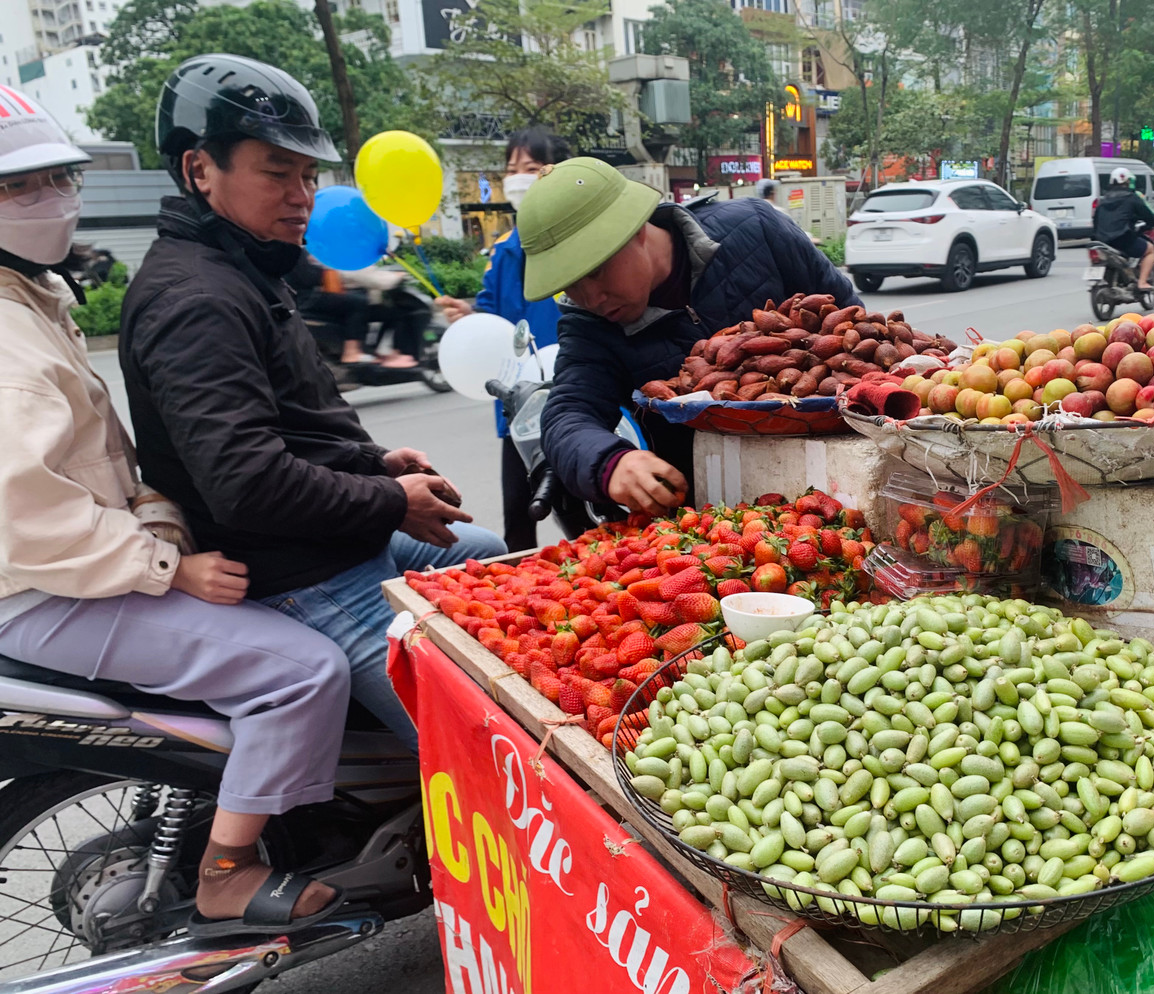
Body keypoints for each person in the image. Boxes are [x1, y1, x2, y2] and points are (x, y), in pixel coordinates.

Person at [0, 87, 351, 936]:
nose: (52, 200)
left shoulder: (34, 299)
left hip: (73, 568)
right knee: (304, 671)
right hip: (40, 588)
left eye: (58, 177)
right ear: (201, 170)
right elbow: (27, 510)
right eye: (19, 187)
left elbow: (113, 461)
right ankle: (227, 872)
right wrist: (165, 563)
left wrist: (160, 528)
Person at [119, 54, 506, 750]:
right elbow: (248, 483)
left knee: (489, 555)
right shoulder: (197, 300)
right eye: (277, 172)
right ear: (199, 170)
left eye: (307, 175)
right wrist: (394, 500)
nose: (301, 196)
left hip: (331, 543)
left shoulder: (247, 266)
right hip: (301, 575)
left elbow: (289, 422)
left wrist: (374, 462)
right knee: (485, 744)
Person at [518, 157, 858, 515]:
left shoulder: (758, 229)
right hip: (719, 520)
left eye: (597, 271)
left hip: (843, 481)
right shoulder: (588, 325)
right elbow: (568, 414)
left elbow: (854, 320)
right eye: (571, 285)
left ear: (637, 229)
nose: (592, 298)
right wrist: (608, 463)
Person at [436, 127, 569, 551]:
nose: (517, 178)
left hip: (571, 391)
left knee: (583, 509)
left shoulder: (573, 240)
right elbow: (494, 316)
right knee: (518, 514)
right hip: (518, 403)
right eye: (511, 169)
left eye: (530, 168)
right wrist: (469, 316)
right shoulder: (504, 249)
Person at [1093, 166, 1154, 291]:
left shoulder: (1103, 200)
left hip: (1102, 240)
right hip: (1123, 239)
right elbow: (1147, 216)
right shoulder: (1132, 197)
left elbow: (1096, 221)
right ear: (1128, 182)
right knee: (1150, 249)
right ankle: (1142, 282)